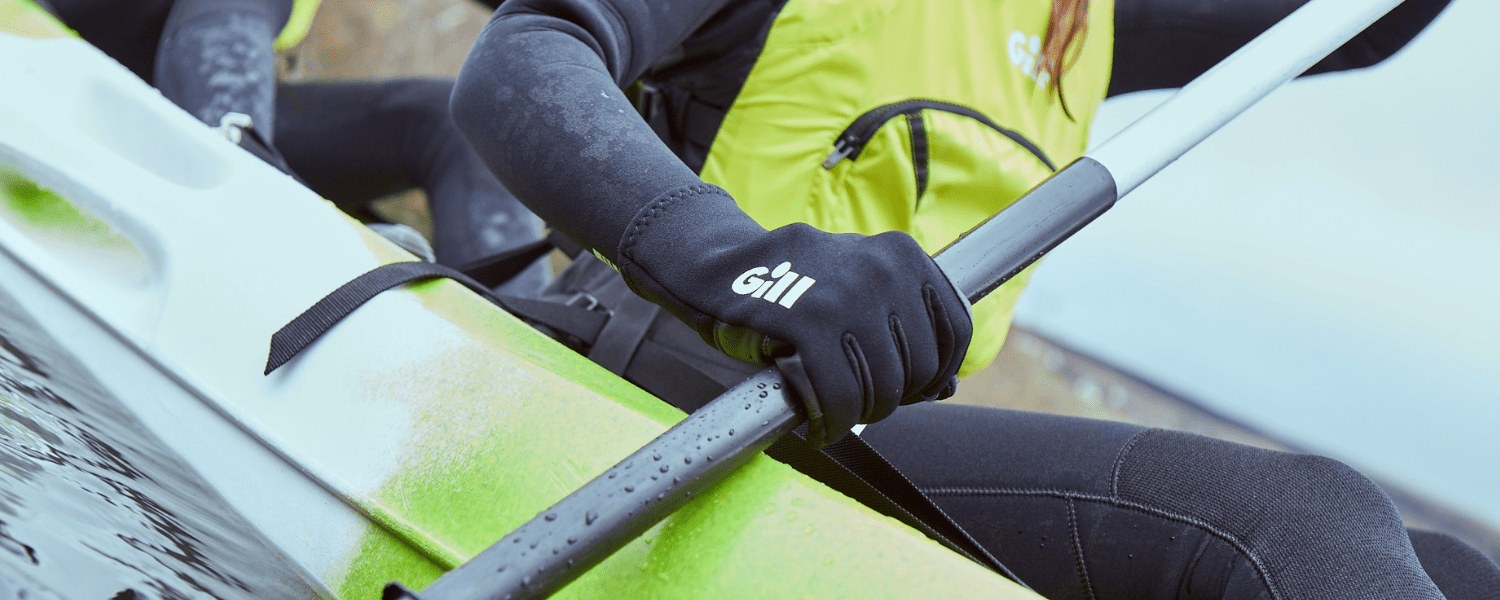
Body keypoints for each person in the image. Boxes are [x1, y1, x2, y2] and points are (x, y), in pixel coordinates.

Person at [449, 0, 1500, 598]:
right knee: (1297, 522)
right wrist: (750, 267)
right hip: (661, 389)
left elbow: (1357, 23)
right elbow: (524, 59)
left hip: (847, 449)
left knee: (1457, 571)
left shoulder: (1079, 28)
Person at [45, 0, 551, 291]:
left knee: (450, 121)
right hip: (42, 69)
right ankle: (270, 228)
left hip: (194, 114)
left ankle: (521, 347)